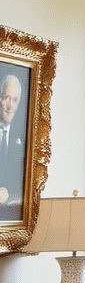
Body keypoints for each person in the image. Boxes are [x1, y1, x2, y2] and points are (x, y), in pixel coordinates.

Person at [0, 73, 26, 221]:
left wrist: (8, 193)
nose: (10, 106)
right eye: (7, 98)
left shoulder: (22, 138)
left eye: (15, 100)